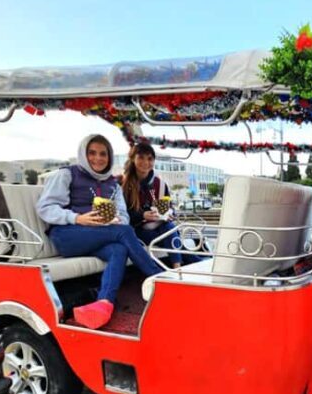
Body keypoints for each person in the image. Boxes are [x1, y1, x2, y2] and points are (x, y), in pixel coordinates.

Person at [36, 134, 162, 329]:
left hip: (98, 236)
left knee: (119, 249)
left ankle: (103, 304)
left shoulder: (113, 184)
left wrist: (116, 219)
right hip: (67, 235)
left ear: (109, 157)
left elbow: (123, 214)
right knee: (124, 232)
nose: (98, 158)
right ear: (83, 154)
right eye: (92, 153)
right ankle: (160, 280)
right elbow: (45, 208)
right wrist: (77, 218)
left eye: (103, 154)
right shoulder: (67, 174)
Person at [121, 142, 197, 268]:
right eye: (141, 157)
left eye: (150, 158)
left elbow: (170, 208)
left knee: (169, 227)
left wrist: (169, 213)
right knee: (172, 236)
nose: (146, 162)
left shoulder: (160, 184)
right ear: (133, 159)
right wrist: (143, 215)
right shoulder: (123, 184)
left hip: (161, 227)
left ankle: (178, 267)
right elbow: (123, 215)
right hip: (137, 231)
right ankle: (186, 266)